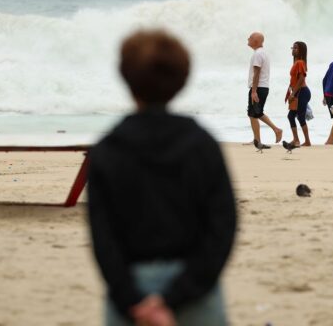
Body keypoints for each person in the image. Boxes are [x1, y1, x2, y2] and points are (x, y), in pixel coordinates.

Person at [87, 30, 237, 326]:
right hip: (196, 289)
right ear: (182, 79)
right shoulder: (202, 144)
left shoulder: (108, 148)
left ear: (126, 79)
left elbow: (102, 237)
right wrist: (176, 297)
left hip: (130, 289)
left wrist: (134, 300)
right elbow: (222, 227)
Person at [246, 31, 283, 150]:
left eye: (250, 37)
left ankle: (266, 136)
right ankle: (259, 138)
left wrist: (253, 91)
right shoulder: (262, 53)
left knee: (255, 114)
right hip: (263, 87)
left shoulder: (258, 54)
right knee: (254, 113)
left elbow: (257, 73)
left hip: (259, 87)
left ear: (256, 41)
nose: (248, 39)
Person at [283, 41, 312, 149]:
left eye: (296, 48)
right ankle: (296, 140)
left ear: (301, 51)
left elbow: (301, 79)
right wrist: (290, 91)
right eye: (293, 48)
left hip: (302, 92)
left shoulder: (300, 62)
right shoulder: (297, 62)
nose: (293, 50)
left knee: (299, 117)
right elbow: (295, 80)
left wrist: (293, 94)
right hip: (299, 91)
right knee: (291, 116)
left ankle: (306, 141)